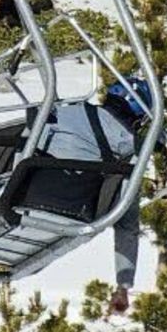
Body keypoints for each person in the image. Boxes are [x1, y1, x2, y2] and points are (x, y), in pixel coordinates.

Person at [37, 95, 140, 308]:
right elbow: (126, 227)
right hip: (69, 213)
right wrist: (124, 283)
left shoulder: (63, 111)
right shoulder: (127, 160)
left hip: (18, 188)